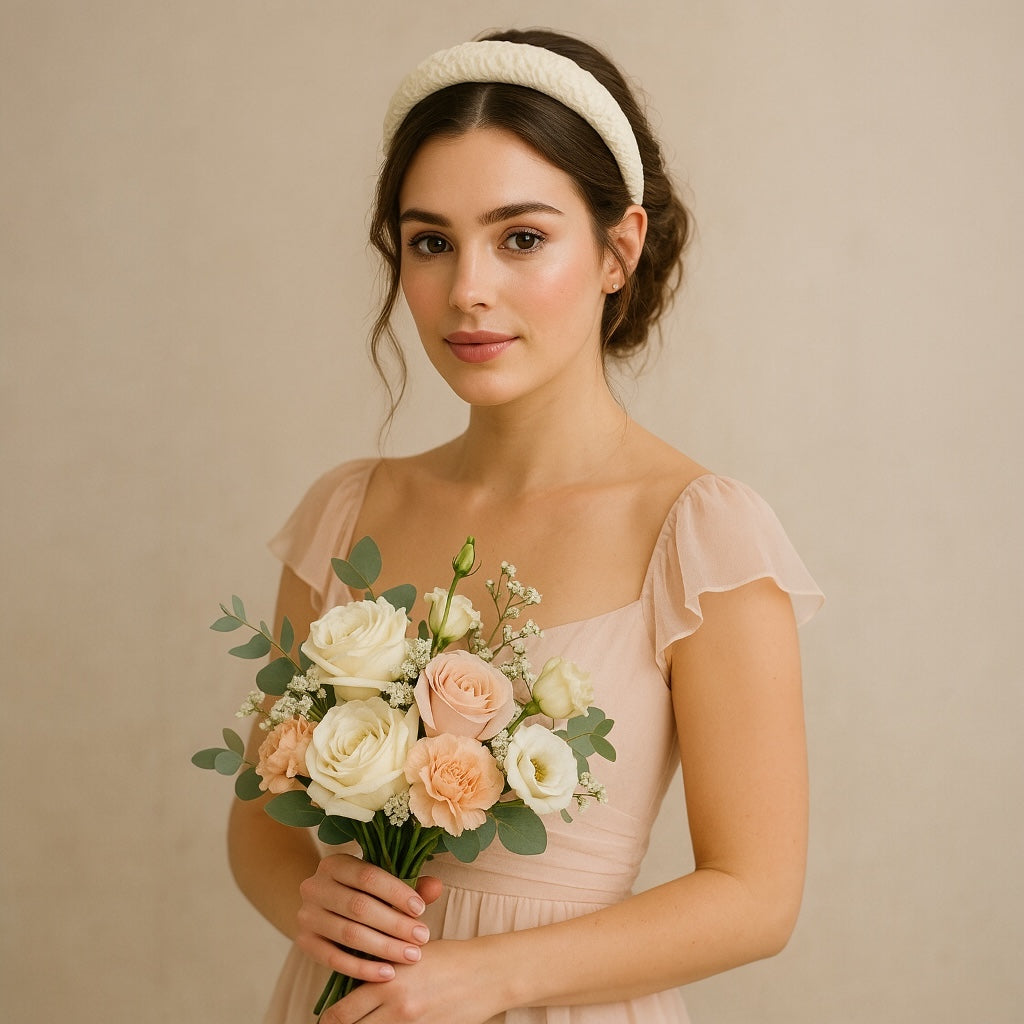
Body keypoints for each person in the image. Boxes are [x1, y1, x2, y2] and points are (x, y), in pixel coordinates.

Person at [228, 28, 824, 1024]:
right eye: (431, 241)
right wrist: (310, 895)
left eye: (520, 237)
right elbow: (257, 825)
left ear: (616, 250)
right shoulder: (346, 513)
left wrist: (484, 977)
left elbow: (756, 896)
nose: (468, 288)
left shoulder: (699, 533)